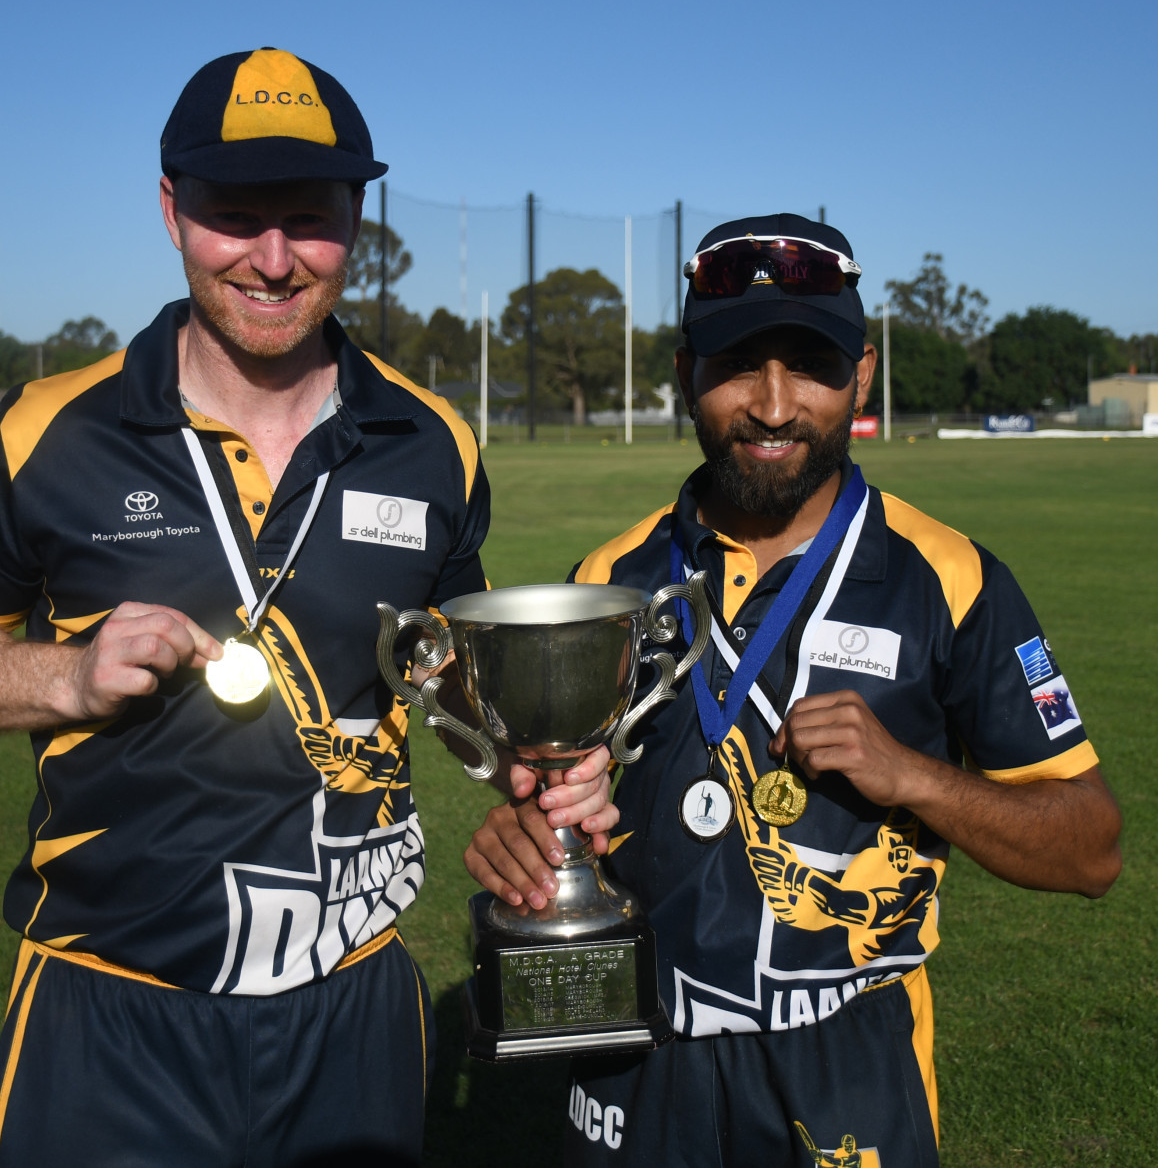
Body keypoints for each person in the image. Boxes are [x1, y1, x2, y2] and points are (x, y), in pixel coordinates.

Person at [0, 47, 611, 1167]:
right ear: (172, 210)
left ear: (354, 219)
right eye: (231, 214)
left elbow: (454, 673)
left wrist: (538, 763)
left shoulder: (430, 444)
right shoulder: (51, 431)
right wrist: (59, 677)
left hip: (350, 1006)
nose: (270, 258)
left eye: (306, 218)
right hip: (109, 1008)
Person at [464, 214, 1123, 1166]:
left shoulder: (951, 579)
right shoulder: (611, 576)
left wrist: (916, 778)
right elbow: (564, 799)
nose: (773, 406)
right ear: (688, 370)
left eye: (810, 364)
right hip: (636, 1052)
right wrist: (537, 834)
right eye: (738, 362)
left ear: (861, 376)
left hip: (847, 1055)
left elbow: (1092, 849)